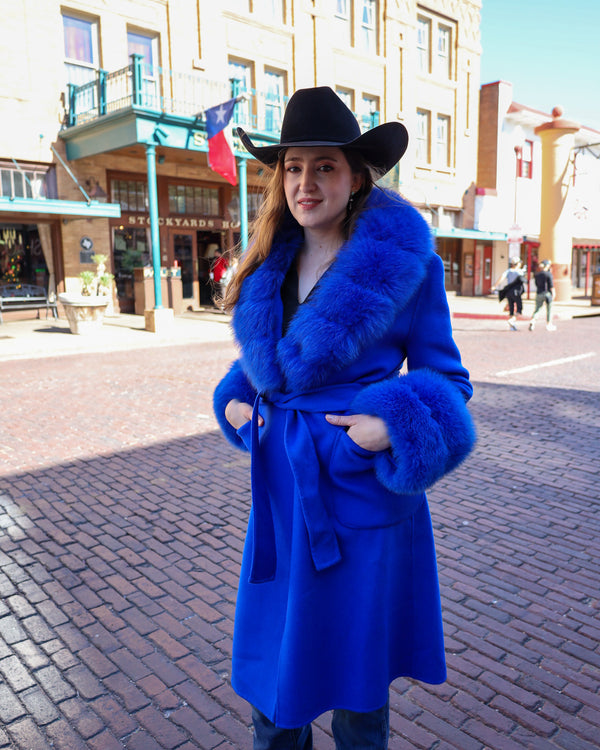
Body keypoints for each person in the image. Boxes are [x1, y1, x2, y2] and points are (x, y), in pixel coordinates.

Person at [212, 86, 476, 749]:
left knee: (359, 703)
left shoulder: (408, 270)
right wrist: (236, 403)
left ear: (355, 176)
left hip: (360, 499)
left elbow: (449, 381)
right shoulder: (271, 264)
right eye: (294, 167)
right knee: (276, 694)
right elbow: (267, 367)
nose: (306, 182)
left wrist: (389, 427)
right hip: (281, 500)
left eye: (324, 166)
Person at [493, 257, 526, 330]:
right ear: (517, 264)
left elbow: (502, 277)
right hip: (516, 292)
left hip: (508, 292)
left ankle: (512, 326)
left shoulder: (508, 271)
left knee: (511, 308)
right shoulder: (520, 272)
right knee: (519, 309)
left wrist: (495, 286)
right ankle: (512, 320)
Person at [529, 259, 556, 331]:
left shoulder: (537, 274)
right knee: (549, 310)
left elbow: (536, 284)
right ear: (547, 266)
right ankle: (549, 324)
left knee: (537, 309)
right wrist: (553, 293)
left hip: (539, 293)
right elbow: (551, 285)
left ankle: (533, 320)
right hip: (547, 293)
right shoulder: (548, 274)